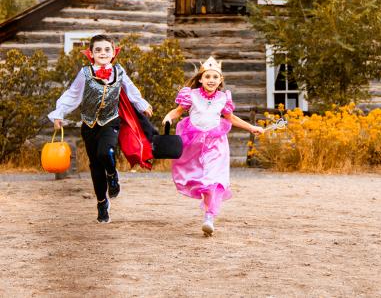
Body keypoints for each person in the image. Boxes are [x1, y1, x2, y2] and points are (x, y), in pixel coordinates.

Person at [48, 34, 153, 224]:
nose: (102, 53)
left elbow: (131, 90)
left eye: (107, 50)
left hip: (111, 121)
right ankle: (102, 202)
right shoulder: (85, 73)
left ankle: (113, 175)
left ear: (114, 53)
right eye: (98, 50)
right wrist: (59, 114)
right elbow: (73, 95)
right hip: (89, 125)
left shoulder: (119, 71)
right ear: (91, 53)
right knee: (95, 166)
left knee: (106, 152)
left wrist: (143, 105)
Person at [163, 56, 263, 236]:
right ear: (200, 79)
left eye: (215, 77)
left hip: (215, 144)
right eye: (207, 77)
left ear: (220, 80)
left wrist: (251, 127)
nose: (211, 80)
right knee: (197, 178)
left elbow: (231, 118)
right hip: (193, 143)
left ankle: (209, 217)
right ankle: (207, 208)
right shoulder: (190, 96)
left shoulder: (223, 98)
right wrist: (168, 117)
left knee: (212, 181)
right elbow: (177, 111)